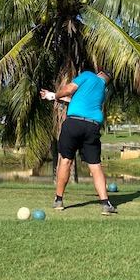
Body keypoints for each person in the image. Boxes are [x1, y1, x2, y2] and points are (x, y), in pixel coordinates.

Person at [40, 69, 117, 215]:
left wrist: (55, 95)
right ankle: (105, 203)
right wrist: (52, 96)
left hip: (74, 123)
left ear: (99, 73)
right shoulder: (102, 92)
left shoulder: (88, 75)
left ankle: (58, 200)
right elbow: (74, 100)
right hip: (92, 126)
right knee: (95, 165)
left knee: (65, 160)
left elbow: (69, 89)